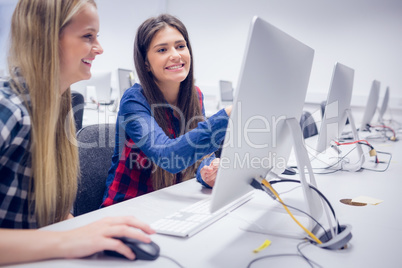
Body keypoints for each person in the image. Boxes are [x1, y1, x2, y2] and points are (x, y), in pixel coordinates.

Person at [0, 0, 154, 265]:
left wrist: (89, 233)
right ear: (46, 36)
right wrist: (70, 240)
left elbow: (51, 216)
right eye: (87, 36)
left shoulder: (57, 111)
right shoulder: (9, 109)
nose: (99, 48)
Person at [101, 14, 232, 207]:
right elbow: (168, 157)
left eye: (180, 46)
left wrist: (207, 173)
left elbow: (198, 154)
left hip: (169, 204)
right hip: (126, 209)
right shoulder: (134, 101)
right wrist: (227, 116)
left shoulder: (195, 96)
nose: (176, 55)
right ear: (146, 63)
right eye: (162, 49)